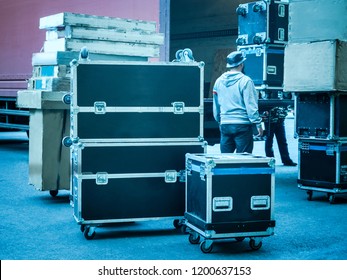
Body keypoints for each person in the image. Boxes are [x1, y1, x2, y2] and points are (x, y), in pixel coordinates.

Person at [213, 51, 263, 153]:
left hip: (225, 124)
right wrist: (258, 124)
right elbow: (251, 106)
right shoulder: (245, 81)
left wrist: (219, 120)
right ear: (241, 64)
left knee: (225, 160)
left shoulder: (218, 81)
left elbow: (216, 105)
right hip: (242, 126)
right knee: (243, 160)